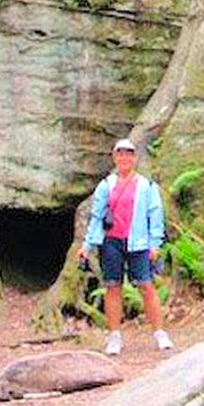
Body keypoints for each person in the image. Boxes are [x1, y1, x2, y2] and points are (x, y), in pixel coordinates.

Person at [77, 138, 173, 355]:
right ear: (114, 157)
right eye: (120, 154)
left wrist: (155, 243)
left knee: (146, 286)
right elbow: (97, 216)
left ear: (135, 158)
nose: (124, 158)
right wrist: (87, 245)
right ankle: (114, 337)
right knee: (113, 286)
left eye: (129, 154)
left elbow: (155, 214)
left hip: (138, 242)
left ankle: (160, 333)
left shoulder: (147, 186)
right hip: (111, 242)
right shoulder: (106, 185)